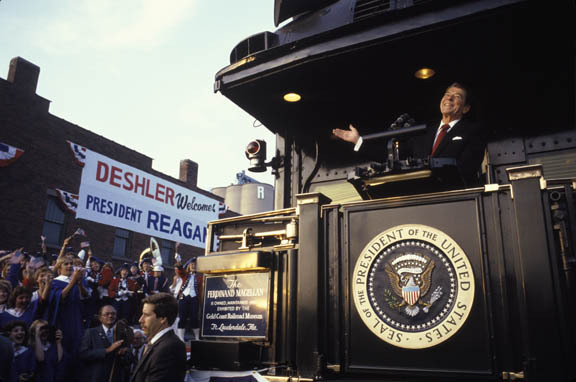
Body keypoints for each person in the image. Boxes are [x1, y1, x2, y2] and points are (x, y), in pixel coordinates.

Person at [333, 82, 486, 186]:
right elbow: (393, 155)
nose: (449, 98)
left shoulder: (472, 132)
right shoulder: (424, 131)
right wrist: (358, 141)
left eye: (457, 96)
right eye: (447, 94)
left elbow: (467, 169)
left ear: (465, 108)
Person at [131, 293, 186, 382]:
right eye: (142, 314)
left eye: (147, 315)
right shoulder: (158, 343)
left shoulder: (170, 348)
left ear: (163, 318)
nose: (140, 320)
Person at [79, 305, 132, 382]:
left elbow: (129, 358)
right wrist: (107, 350)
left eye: (113, 314)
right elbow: (83, 354)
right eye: (107, 314)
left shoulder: (123, 333)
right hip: (96, 377)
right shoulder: (91, 333)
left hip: (117, 377)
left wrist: (123, 354)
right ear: (100, 318)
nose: (110, 316)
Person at [170, 257, 202, 341]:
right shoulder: (185, 275)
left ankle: (197, 337)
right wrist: (179, 263)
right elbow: (180, 270)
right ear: (188, 266)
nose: (193, 266)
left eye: (195, 265)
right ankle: (181, 338)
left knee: (194, 318)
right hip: (183, 297)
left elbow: (201, 289)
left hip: (194, 298)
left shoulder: (200, 277)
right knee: (182, 318)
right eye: (192, 264)